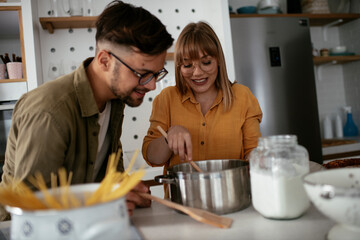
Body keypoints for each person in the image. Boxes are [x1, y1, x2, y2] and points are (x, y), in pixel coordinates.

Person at [0, 0, 173, 220]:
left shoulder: (115, 102)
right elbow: (31, 209)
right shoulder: (49, 112)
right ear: (104, 61)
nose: (151, 85)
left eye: (156, 74)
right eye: (142, 74)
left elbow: (109, 177)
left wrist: (125, 188)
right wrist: (105, 204)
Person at [142, 21, 262, 176]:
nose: (197, 73)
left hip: (233, 195)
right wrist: (169, 135)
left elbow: (254, 151)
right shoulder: (167, 98)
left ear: (218, 61)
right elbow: (152, 157)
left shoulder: (242, 96)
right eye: (187, 65)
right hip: (181, 198)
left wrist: (257, 160)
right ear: (179, 67)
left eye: (206, 63)